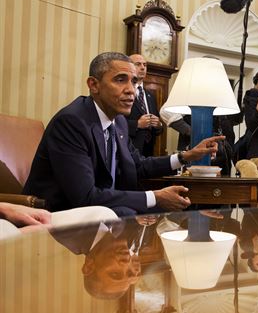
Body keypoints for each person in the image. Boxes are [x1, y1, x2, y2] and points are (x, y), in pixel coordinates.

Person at [23, 52, 222, 216]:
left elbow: (138, 165)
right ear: (94, 85)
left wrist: (186, 156)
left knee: (180, 211)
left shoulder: (118, 122)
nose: (131, 91)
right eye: (120, 80)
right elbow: (85, 196)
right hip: (54, 213)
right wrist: (154, 196)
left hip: (98, 208)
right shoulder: (72, 122)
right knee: (129, 212)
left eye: (134, 82)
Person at [126, 54, 163, 157]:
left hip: (148, 153)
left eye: (145, 65)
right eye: (138, 64)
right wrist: (137, 124)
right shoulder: (123, 91)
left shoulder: (150, 95)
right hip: (128, 151)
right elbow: (114, 122)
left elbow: (158, 129)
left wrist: (158, 125)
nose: (142, 67)